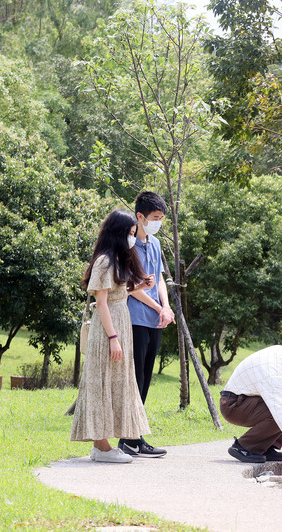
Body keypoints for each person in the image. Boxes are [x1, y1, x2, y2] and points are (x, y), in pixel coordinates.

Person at [70, 209, 156, 463]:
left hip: (120, 323)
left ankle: (104, 445)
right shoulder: (105, 261)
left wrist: (137, 287)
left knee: (115, 382)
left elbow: (118, 295)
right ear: (119, 233)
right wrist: (113, 338)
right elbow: (102, 302)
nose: (133, 238)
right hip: (109, 329)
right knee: (102, 383)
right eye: (130, 233)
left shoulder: (117, 260)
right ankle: (102, 446)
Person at [118, 192, 174, 458]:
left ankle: (135, 436)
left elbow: (160, 279)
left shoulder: (155, 244)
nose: (158, 222)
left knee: (147, 378)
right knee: (135, 378)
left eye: (161, 218)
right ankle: (129, 438)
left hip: (155, 320)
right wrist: (157, 307)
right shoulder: (126, 246)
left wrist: (166, 306)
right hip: (135, 319)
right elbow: (130, 288)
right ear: (139, 217)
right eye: (154, 218)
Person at [220, 338, 282, 464]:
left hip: (249, 399)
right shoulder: (270, 370)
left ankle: (266, 447)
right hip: (233, 405)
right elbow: (278, 412)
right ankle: (243, 447)